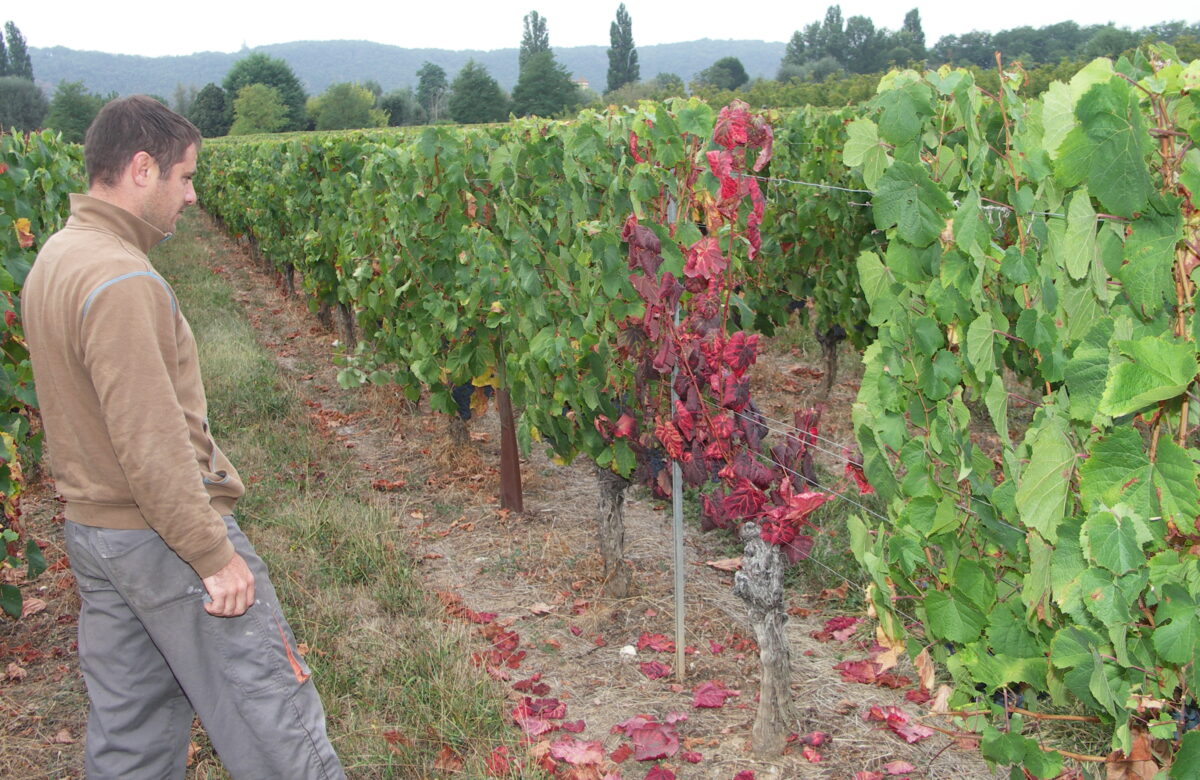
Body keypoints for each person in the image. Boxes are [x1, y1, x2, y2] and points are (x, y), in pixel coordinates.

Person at [22, 95, 345, 780]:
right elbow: (150, 440)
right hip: (161, 538)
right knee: (274, 719)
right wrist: (210, 553)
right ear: (143, 168)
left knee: (130, 733)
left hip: (95, 535)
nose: (193, 197)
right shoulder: (121, 279)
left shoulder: (57, 255)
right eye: (186, 177)